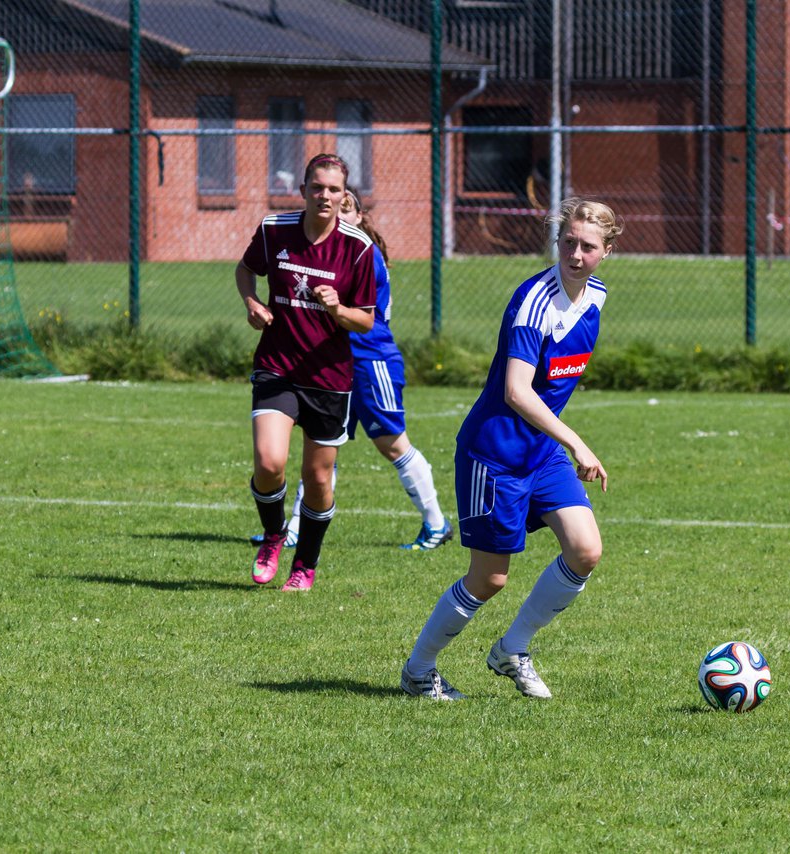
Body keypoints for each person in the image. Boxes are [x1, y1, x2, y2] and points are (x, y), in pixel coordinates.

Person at [400, 198, 623, 700]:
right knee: (490, 578)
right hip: (494, 455)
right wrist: (576, 442)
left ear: (607, 251)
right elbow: (516, 392)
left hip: (539, 453)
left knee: (586, 550)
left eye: (588, 246)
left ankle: (512, 649)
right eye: (568, 242)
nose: (575, 253)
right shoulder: (533, 303)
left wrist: (557, 439)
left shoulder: (597, 297)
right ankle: (419, 670)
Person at [254, 188, 452, 552]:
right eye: (336, 210)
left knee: (393, 445)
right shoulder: (327, 250)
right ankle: (295, 529)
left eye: (348, 211)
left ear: (360, 218)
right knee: (322, 447)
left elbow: (355, 315)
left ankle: (437, 524)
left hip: (370, 360)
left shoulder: (361, 252)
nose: (340, 216)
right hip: (334, 365)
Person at [237, 153, 376, 592]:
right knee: (269, 461)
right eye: (317, 187)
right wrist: (253, 303)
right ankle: (274, 534)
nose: (325, 196)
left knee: (317, 479)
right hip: (277, 366)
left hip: (329, 377)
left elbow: (367, 320)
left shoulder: (358, 247)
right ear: (303, 190)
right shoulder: (274, 230)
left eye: (334, 189)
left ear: (345, 195)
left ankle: (306, 564)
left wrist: (338, 309)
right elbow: (245, 271)